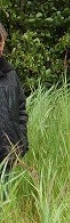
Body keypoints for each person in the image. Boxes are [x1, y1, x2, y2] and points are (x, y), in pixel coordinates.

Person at [0, 21, 28, 182]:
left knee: (6, 203)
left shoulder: (10, 75)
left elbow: (21, 109)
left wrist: (21, 142)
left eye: (0, 41)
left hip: (6, 156)